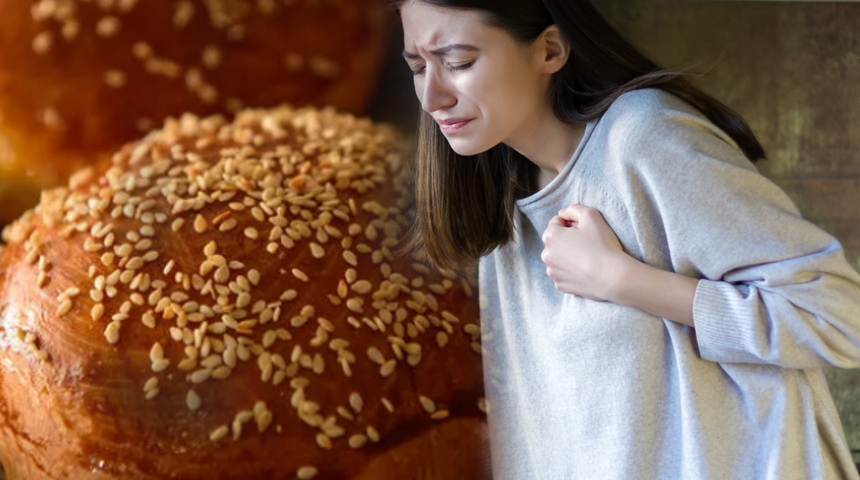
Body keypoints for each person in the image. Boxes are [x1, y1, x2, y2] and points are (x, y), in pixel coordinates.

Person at [390, 0, 860, 479]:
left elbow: (838, 315)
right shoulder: (499, 194)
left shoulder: (644, 137)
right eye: (417, 68)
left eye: (458, 63)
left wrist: (620, 279)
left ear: (550, 50)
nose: (432, 98)